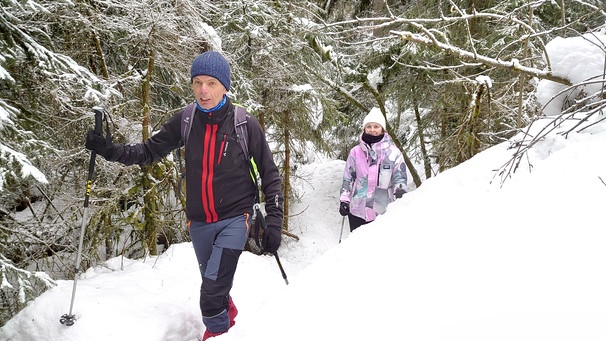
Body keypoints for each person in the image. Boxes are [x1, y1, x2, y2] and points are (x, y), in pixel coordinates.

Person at [85, 51, 284, 340]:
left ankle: (217, 333)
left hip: (235, 218)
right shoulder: (186, 120)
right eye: (197, 82)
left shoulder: (244, 124)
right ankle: (226, 314)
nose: (203, 90)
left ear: (225, 87)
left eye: (212, 83)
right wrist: (108, 150)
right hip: (199, 222)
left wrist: (275, 221)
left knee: (210, 293)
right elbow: (148, 151)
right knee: (213, 284)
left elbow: (270, 174)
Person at [339, 107, 407, 232]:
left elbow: (400, 179)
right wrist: (344, 200)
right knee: (357, 246)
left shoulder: (393, 153)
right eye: (369, 126)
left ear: (382, 129)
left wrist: (400, 197)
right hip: (357, 210)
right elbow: (348, 178)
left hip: (383, 212)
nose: (372, 130)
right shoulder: (355, 152)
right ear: (364, 128)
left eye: (376, 126)